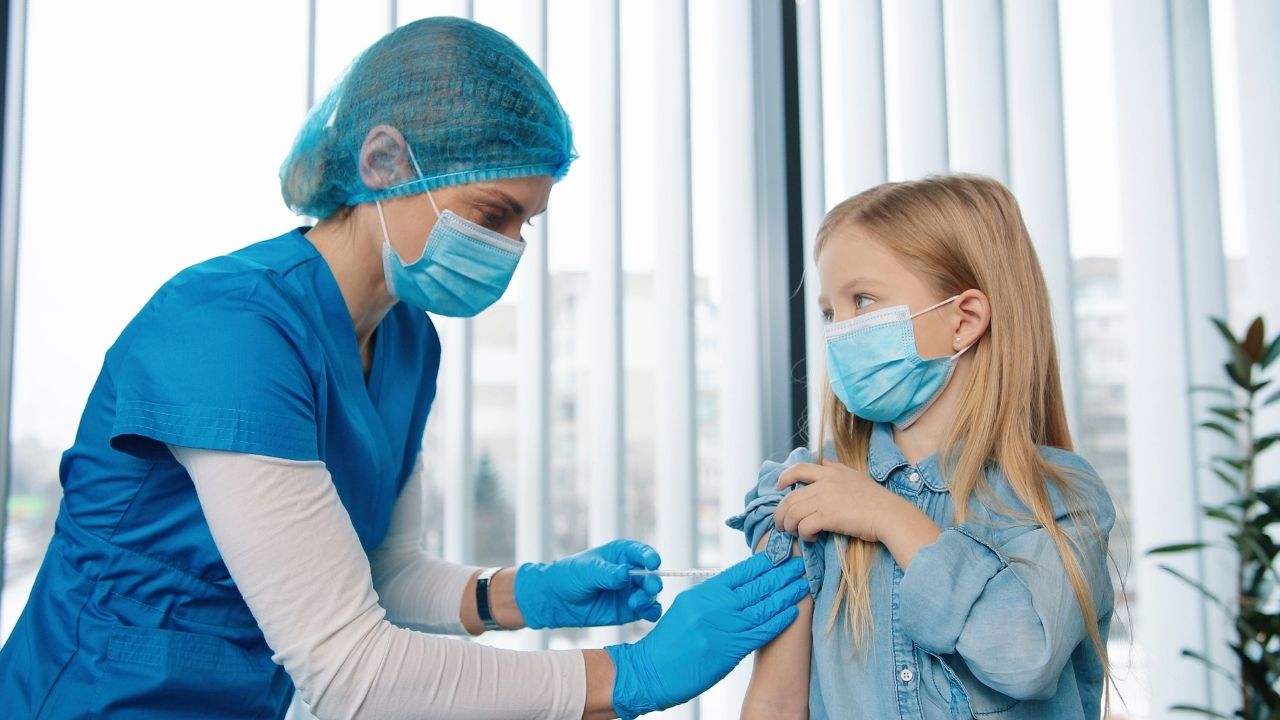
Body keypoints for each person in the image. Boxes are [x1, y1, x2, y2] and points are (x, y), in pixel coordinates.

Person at [0, 16, 807, 719]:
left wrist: (522, 594)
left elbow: (380, 573)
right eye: (495, 214)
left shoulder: (408, 340)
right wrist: (628, 674)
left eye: (528, 222)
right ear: (384, 161)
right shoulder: (229, 330)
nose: (513, 248)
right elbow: (350, 668)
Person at [728, 175, 1116, 719]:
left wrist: (889, 517)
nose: (840, 332)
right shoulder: (811, 492)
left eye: (862, 300)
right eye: (829, 312)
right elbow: (775, 704)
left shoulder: (1057, 500)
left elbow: (1025, 654)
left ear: (965, 320)